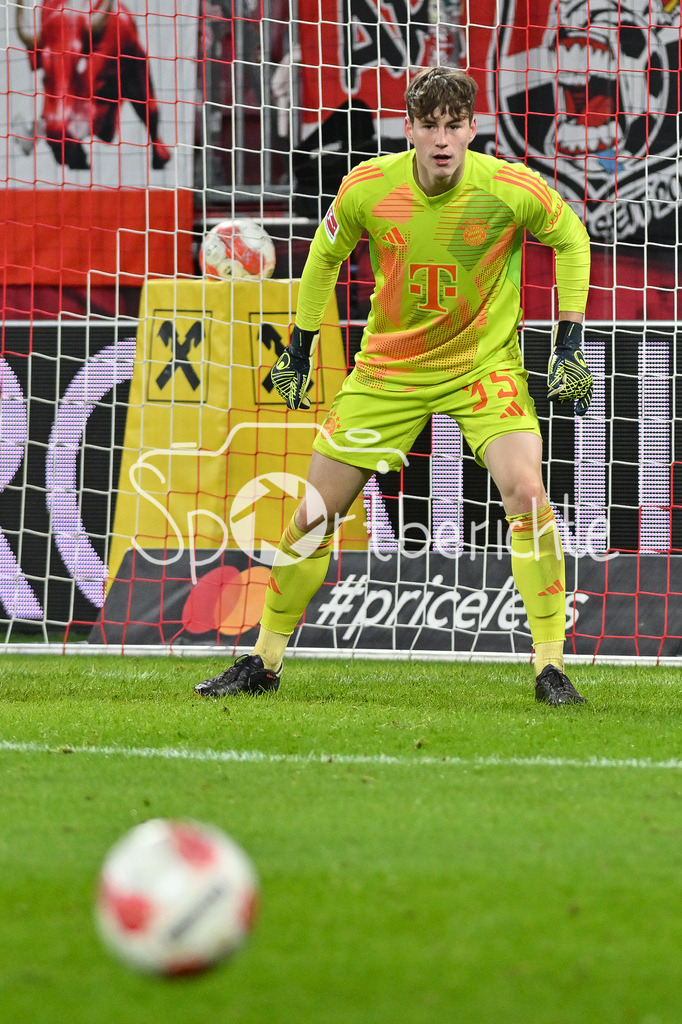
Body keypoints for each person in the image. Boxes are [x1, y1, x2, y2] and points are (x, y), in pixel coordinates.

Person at [194, 66, 593, 707]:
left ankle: (550, 668)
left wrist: (569, 341)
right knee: (314, 513)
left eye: (453, 126)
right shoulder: (368, 187)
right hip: (388, 371)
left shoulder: (510, 188)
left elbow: (571, 237)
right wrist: (299, 344)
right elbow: (325, 257)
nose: (441, 139)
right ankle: (262, 661)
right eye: (428, 126)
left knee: (527, 491)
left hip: (482, 367)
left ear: (472, 129)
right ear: (408, 129)